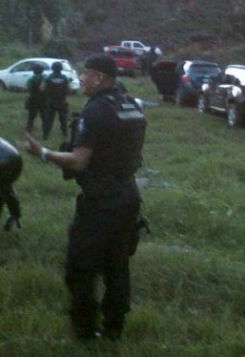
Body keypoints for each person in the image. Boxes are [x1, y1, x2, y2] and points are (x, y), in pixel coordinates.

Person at [22, 53, 147, 343]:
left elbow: (79, 162)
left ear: (99, 78)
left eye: (86, 74)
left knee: (80, 268)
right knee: (117, 267)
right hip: (128, 196)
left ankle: (85, 333)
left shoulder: (95, 111)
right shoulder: (132, 106)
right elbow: (136, 155)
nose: (81, 79)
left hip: (100, 202)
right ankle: (114, 330)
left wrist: (42, 152)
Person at [41, 61, 71, 139]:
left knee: (49, 120)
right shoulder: (64, 78)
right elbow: (69, 89)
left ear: (52, 68)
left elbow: (42, 88)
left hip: (51, 101)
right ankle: (65, 134)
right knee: (63, 120)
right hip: (62, 101)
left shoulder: (49, 77)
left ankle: (45, 136)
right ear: (61, 68)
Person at [25, 63, 47, 135]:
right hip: (44, 100)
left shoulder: (31, 79)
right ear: (42, 70)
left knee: (31, 117)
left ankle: (28, 130)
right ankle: (45, 130)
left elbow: (27, 87)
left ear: (34, 71)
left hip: (33, 100)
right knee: (44, 116)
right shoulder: (45, 78)